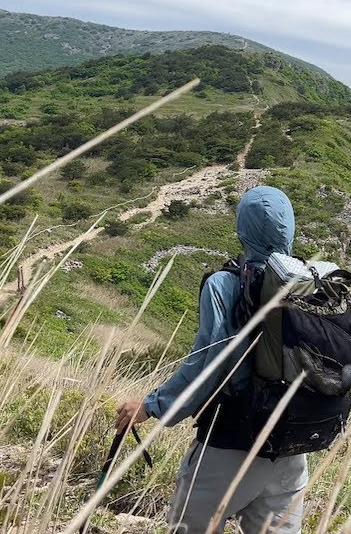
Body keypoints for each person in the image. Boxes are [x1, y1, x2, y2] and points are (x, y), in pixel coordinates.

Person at [114, 185, 307, 533]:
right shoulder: (311, 285)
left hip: (230, 441)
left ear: (242, 229)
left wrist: (152, 405)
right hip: (292, 449)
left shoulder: (225, 284)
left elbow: (210, 360)